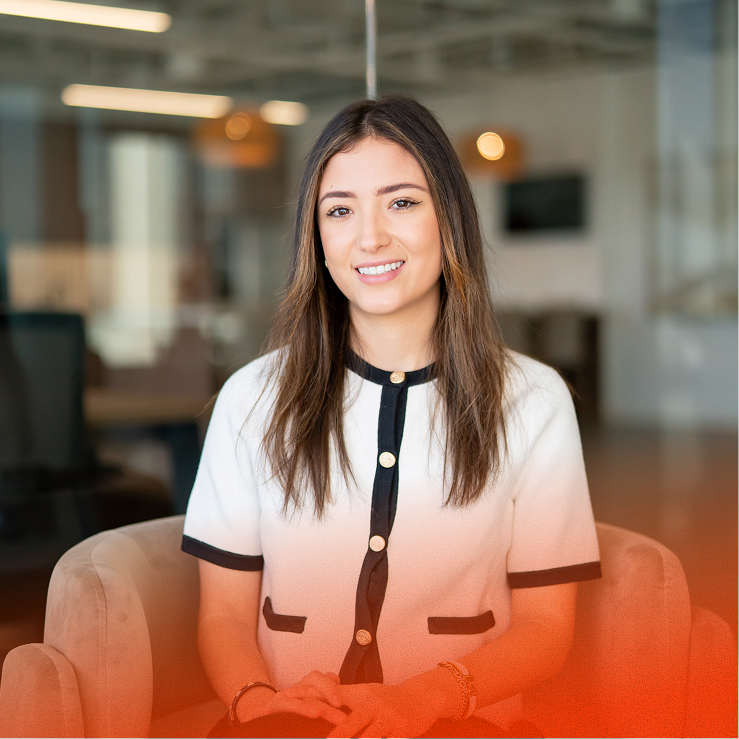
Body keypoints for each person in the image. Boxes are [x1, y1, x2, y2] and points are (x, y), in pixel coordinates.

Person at [182, 95, 601, 739]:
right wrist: (255, 699)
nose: (370, 236)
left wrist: (429, 699)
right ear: (317, 238)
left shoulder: (534, 400)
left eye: (401, 202)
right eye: (340, 211)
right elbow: (222, 617)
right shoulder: (250, 398)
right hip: (285, 721)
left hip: (459, 725)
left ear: (449, 219)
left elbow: (546, 631)